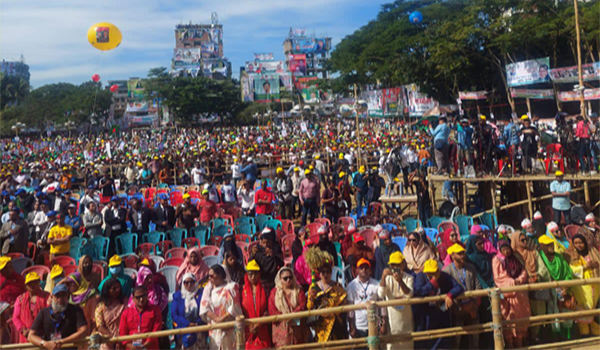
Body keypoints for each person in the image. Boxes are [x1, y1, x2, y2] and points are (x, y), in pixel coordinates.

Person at [413, 259, 463, 349]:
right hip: (425, 315)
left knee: (443, 340)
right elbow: (418, 292)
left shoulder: (444, 276)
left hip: (441, 313)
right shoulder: (420, 276)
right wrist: (432, 283)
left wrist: (450, 294)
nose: (431, 274)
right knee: (424, 341)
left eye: (433, 272)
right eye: (429, 272)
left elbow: (458, 287)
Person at [492, 240, 531, 348]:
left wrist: (519, 279)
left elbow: (523, 271)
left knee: (521, 322)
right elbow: (499, 277)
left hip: (521, 296)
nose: (506, 251)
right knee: (509, 322)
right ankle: (510, 346)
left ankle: (521, 344)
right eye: (503, 249)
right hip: (507, 297)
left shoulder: (515, 258)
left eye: (508, 248)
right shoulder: (497, 260)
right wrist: (513, 283)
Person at [442, 244, 481, 349]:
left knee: (475, 339)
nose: (462, 255)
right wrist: (461, 305)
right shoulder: (447, 271)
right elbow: (445, 291)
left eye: (463, 253)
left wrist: (473, 304)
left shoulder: (470, 268)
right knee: (456, 340)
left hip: (472, 308)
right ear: (453, 255)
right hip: (457, 310)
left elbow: (477, 286)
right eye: (459, 253)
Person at [28, 284, 88, 350]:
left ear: (67, 296)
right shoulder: (43, 312)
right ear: (51, 297)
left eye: (63, 295)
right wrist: (44, 343)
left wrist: (63, 341)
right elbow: (31, 336)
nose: (60, 299)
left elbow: (83, 330)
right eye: (57, 296)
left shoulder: (76, 310)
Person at [199, 265, 243, 350]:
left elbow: (235, 307)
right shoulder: (208, 289)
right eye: (209, 276)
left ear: (220, 275)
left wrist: (222, 318)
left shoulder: (231, 287)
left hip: (229, 327)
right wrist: (216, 319)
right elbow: (204, 307)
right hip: (215, 329)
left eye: (212, 275)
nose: (210, 278)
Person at [564, 234, 600, 336]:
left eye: (581, 242)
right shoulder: (570, 255)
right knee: (582, 315)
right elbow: (571, 271)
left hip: (594, 288)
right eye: (576, 243)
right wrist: (586, 267)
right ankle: (585, 338)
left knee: (595, 315)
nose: (579, 245)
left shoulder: (591, 253)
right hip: (580, 290)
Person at [378, 252, 414, 350]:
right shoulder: (387, 278)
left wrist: (400, 281)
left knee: (407, 345)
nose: (395, 267)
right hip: (392, 322)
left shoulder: (408, 277)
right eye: (392, 265)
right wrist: (383, 277)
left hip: (406, 321)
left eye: (397, 265)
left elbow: (409, 294)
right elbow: (381, 294)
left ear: (403, 264)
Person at [307, 253, 347, 342]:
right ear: (319, 273)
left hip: (335, 324)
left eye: (328, 272)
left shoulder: (338, 287)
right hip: (320, 326)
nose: (325, 275)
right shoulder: (313, 287)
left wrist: (333, 313)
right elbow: (309, 307)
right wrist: (311, 298)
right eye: (323, 272)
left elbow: (344, 304)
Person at [268, 267, 309, 347]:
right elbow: (272, 309)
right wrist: (284, 317)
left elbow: (302, 305)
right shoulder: (275, 292)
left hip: (297, 328)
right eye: (285, 278)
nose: (288, 280)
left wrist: (292, 315)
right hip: (281, 328)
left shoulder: (298, 290)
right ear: (280, 279)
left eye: (290, 277)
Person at [347, 259, 380, 346]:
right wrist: (352, 326)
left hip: (374, 326)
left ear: (370, 270)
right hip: (358, 326)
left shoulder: (376, 284)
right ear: (357, 270)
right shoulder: (351, 286)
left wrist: (383, 323)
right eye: (361, 268)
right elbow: (350, 309)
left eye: (366, 267)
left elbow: (381, 305)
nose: (364, 270)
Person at [119, 285, 163, 350]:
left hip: (150, 347)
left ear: (147, 295)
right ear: (133, 298)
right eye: (138, 297)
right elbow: (122, 333)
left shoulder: (155, 310)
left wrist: (146, 344)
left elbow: (157, 329)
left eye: (143, 296)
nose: (141, 299)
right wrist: (130, 346)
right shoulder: (126, 313)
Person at [241, 260, 272, 349]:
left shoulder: (265, 288)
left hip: (263, 327)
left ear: (259, 274)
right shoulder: (242, 290)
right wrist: (249, 325)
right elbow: (241, 310)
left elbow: (269, 308)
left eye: (255, 274)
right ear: (247, 274)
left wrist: (259, 323)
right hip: (248, 329)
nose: (253, 277)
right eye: (250, 274)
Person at [13, 272, 50, 343]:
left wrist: (35, 330)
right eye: (30, 283)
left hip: (42, 335)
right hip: (25, 335)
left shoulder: (47, 296)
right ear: (26, 285)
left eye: (35, 282)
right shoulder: (20, 299)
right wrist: (23, 329)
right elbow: (16, 317)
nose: (32, 285)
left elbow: (48, 314)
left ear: (39, 282)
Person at [171, 273, 206, 350]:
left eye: (191, 282)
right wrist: (188, 324)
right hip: (183, 328)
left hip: (198, 327)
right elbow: (174, 314)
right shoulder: (178, 296)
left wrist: (196, 323)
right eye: (186, 282)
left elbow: (204, 310)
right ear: (183, 284)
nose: (189, 284)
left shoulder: (201, 294)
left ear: (195, 282)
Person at [95, 278, 126, 350]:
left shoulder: (124, 303)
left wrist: (120, 339)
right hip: (107, 341)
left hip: (123, 339)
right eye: (114, 288)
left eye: (118, 288)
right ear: (107, 290)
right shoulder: (101, 307)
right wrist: (114, 338)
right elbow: (100, 327)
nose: (117, 290)